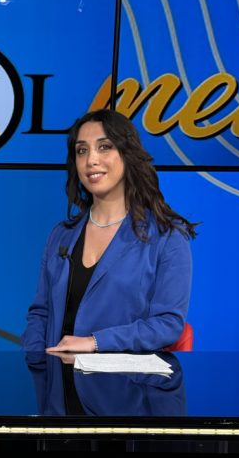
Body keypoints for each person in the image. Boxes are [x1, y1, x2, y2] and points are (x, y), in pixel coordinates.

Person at [22, 109, 197, 354]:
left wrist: (95, 342)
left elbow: (167, 324)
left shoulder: (167, 236)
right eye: (82, 151)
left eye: (104, 147)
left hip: (125, 376)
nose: (91, 160)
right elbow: (41, 313)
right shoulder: (61, 234)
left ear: (127, 154)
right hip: (57, 374)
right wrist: (36, 362)